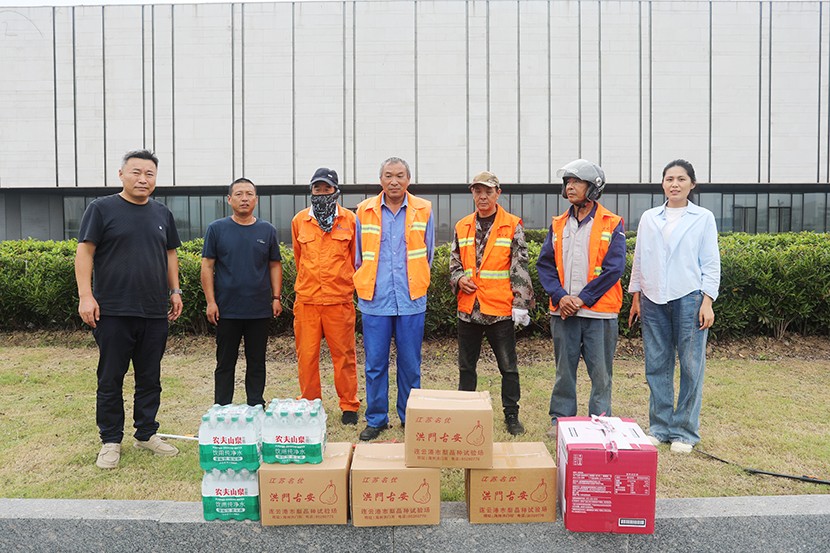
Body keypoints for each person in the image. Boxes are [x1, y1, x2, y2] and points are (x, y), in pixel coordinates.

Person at [75, 149, 183, 469]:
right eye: (136, 172)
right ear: (121, 174)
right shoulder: (101, 209)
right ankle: (110, 440)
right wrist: (85, 296)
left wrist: (175, 290)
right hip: (113, 310)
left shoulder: (162, 213)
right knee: (111, 377)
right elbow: (85, 252)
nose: (143, 179)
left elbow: (170, 254)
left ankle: (146, 433)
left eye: (149, 174)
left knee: (150, 376)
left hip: (154, 310)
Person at [628, 159, 720, 454]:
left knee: (691, 366)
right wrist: (636, 296)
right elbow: (640, 258)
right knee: (657, 364)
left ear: (692, 184)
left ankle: (685, 432)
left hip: (689, 297)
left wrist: (707, 301)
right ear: (662, 184)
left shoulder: (703, 218)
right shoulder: (649, 217)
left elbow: (711, 262)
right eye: (669, 179)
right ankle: (660, 427)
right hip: (653, 297)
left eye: (681, 179)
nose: (675, 184)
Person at [536, 159, 626, 441]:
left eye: (576, 182)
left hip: (599, 314)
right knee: (564, 371)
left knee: (601, 374)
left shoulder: (612, 223)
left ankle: (600, 421)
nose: (570, 187)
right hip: (563, 312)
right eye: (568, 182)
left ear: (594, 187)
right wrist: (561, 297)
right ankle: (561, 419)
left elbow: (614, 269)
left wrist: (582, 299)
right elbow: (545, 265)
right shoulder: (558, 224)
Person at [353, 157, 435, 441]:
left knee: (410, 364)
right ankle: (376, 419)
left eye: (400, 175)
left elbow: (428, 253)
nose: (394, 181)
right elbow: (358, 256)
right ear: (381, 180)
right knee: (375, 364)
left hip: (411, 298)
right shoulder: (364, 210)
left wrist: (417, 281)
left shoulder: (424, 209)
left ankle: (409, 417)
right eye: (388, 175)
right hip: (375, 299)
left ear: (408, 179)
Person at [449, 171, 534, 436]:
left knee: (508, 367)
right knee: (466, 367)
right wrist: (459, 278)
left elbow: (519, 265)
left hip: (499, 310)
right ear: (472, 193)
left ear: (498, 193)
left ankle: (511, 415)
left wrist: (521, 302)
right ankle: (465, 413)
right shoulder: (462, 225)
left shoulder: (512, 224)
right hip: (469, 309)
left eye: (488, 191)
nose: (482, 196)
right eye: (477, 191)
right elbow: (454, 262)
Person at [201, 178, 283, 408]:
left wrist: (276, 298)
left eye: (249, 194)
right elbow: (207, 266)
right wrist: (210, 302)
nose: (244, 198)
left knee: (257, 361)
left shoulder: (267, 230)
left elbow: (274, 265)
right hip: (226, 309)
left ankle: (256, 405)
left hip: (259, 309)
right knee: (225, 362)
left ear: (256, 199)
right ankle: (222, 407)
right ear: (229, 200)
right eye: (239, 194)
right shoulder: (216, 229)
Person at [291, 167, 360, 425]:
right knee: (306, 357)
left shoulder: (350, 220)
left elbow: (355, 259)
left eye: (326, 188)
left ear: (336, 191)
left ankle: (349, 405)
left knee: (344, 356)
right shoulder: (300, 220)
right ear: (311, 191)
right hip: (307, 301)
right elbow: (299, 258)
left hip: (339, 301)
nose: (321, 193)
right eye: (317, 188)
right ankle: (310, 404)